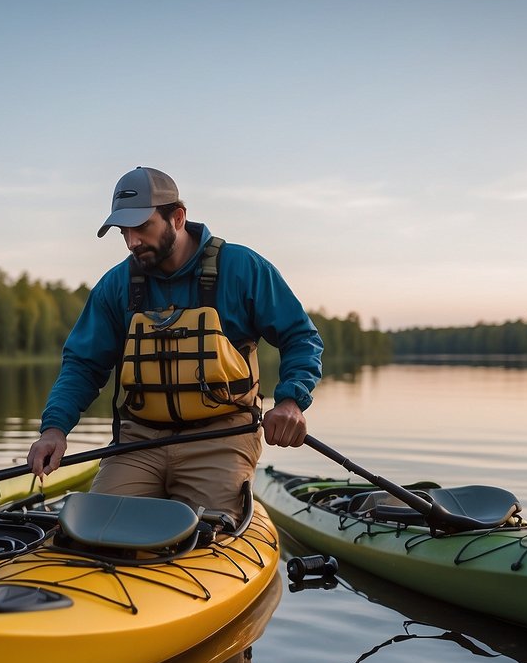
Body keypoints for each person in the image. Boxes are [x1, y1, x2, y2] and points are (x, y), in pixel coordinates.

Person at [27, 167, 323, 521]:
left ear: (177, 217)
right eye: (124, 232)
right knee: (93, 530)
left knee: (212, 537)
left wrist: (291, 401)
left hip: (221, 438)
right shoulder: (116, 285)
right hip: (139, 442)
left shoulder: (243, 268)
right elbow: (83, 365)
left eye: (141, 227)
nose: (131, 241)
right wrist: (54, 429)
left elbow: (301, 337)